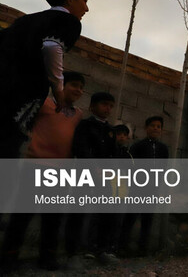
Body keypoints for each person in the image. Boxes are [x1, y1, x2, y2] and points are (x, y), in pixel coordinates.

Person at [0, 71, 86, 271]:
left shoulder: (78, 114)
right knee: (22, 216)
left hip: (61, 173)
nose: (79, 90)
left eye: (82, 87)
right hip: (35, 166)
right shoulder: (45, 104)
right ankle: (8, 257)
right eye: (74, 85)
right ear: (62, 85)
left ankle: (47, 258)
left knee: (53, 218)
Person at [0, 0, 88, 157]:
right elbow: (52, 46)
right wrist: (58, 89)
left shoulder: (25, 20)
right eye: (84, 0)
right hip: (19, 99)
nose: (86, 8)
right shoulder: (69, 22)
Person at [68, 91, 118, 265]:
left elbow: (113, 154)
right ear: (92, 106)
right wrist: (93, 166)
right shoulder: (84, 125)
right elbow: (80, 148)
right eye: (104, 104)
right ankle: (72, 250)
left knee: (105, 212)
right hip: (85, 174)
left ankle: (99, 249)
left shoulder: (111, 131)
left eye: (111, 106)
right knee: (78, 211)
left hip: (104, 177)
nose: (108, 109)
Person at [119, 116, 169, 256]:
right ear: (146, 128)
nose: (155, 128)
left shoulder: (163, 148)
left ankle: (143, 248)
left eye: (158, 126)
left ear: (161, 130)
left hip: (153, 188)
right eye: (152, 125)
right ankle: (122, 246)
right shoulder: (138, 146)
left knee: (148, 218)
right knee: (131, 216)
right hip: (137, 187)